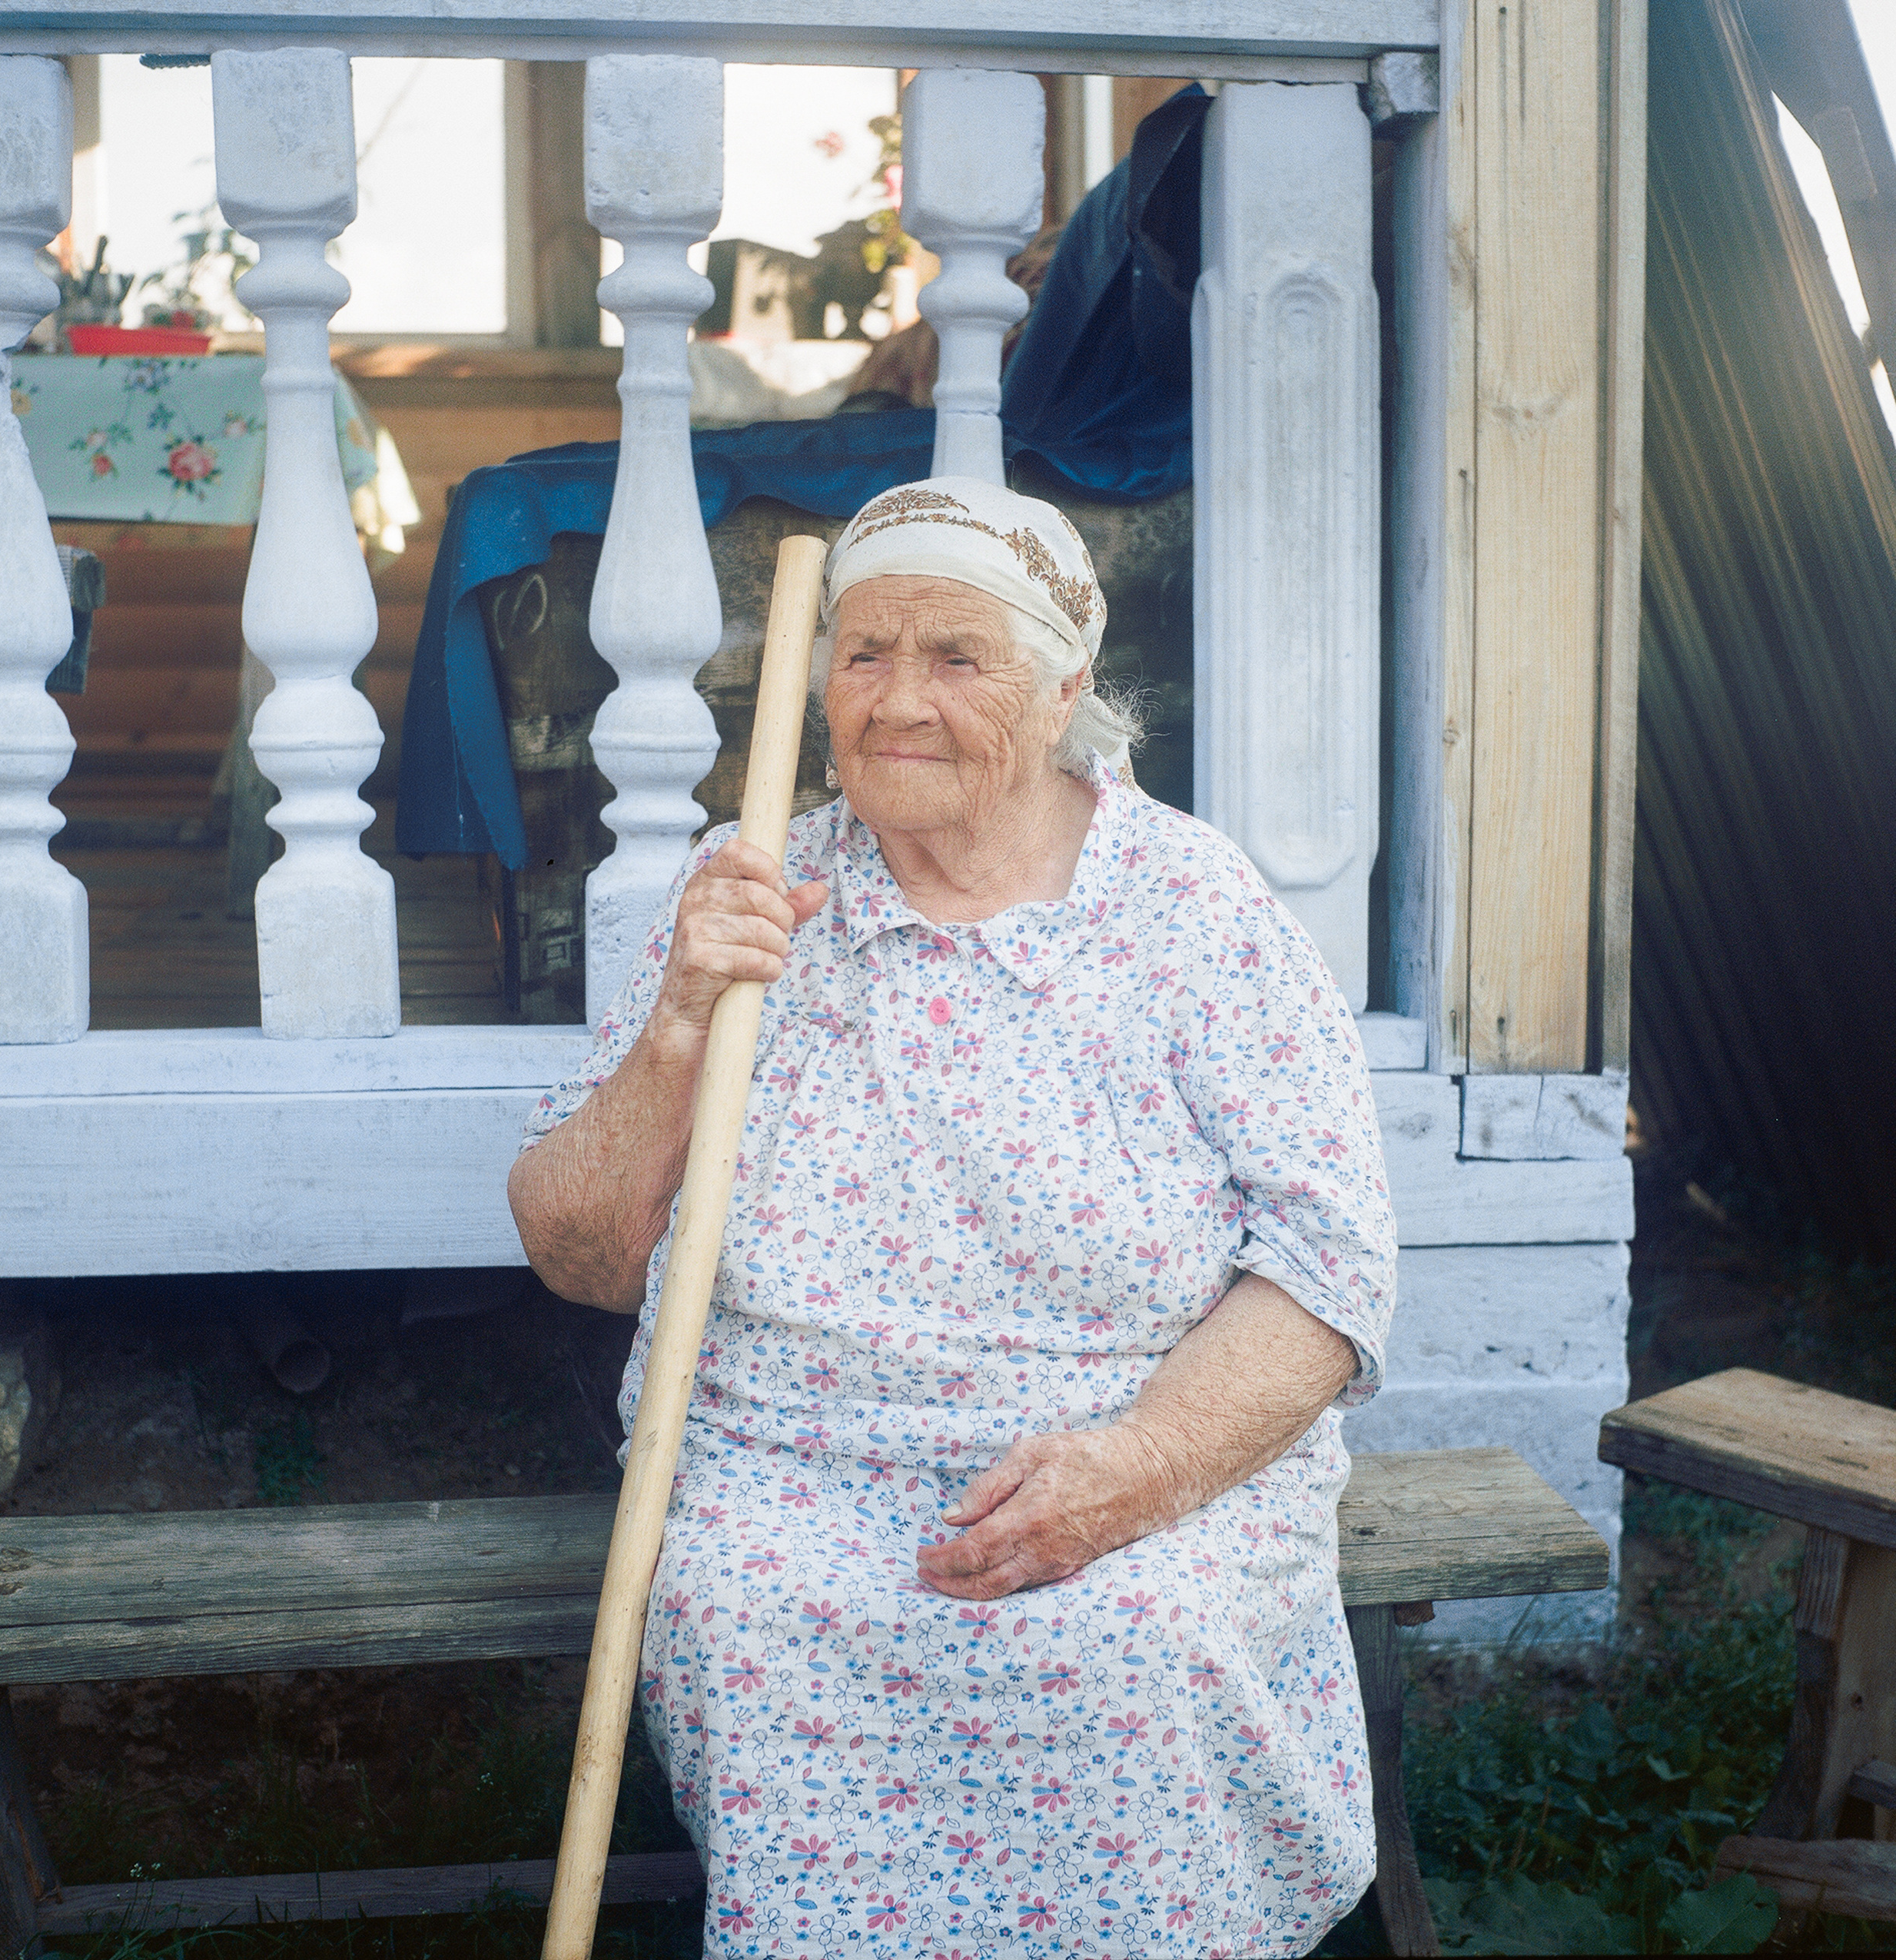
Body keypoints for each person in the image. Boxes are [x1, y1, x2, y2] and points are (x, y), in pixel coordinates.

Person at [509, 477, 1396, 1957]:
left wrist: (1145, 1467)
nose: (894, 700)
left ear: (1063, 692)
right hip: (791, 1470)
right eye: (861, 655)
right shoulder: (761, 893)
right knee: (760, 1621)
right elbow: (582, 1256)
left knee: (1125, 1645)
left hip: (1126, 1464)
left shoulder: (1193, 911)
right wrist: (675, 1026)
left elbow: (1327, 1263)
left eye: (954, 658)